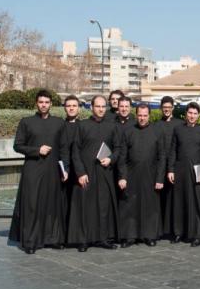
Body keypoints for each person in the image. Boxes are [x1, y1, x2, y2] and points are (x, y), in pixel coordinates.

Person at [8, 90, 66, 254]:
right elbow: (17, 146)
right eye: (41, 102)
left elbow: (63, 148)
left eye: (46, 102)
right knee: (32, 204)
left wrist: (64, 169)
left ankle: (52, 239)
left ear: (51, 104)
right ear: (36, 103)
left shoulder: (59, 123)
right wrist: (36, 150)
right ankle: (30, 241)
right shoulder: (26, 122)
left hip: (53, 170)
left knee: (51, 204)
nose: (43, 105)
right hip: (33, 169)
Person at [68, 95, 122, 252]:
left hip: (104, 172)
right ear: (91, 107)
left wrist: (111, 159)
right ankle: (84, 240)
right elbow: (75, 151)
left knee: (103, 207)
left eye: (103, 106)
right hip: (86, 173)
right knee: (86, 207)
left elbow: (118, 148)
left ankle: (103, 238)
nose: (100, 109)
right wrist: (80, 172)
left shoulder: (112, 126)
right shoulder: (82, 126)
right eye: (97, 106)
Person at [117, 104, 165, 247]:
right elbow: (122, 157)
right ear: (136, 115)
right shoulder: (128, 131)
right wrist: (122, 176)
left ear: (149, 115)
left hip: (151, 175)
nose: (142, 118)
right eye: (140, 115)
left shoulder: (157, 132)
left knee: (150, 206)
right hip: (131, 175)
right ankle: (130, 236)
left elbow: (162, 157)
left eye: (145, 115)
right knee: (130, 206)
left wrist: (160, 178)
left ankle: (149, 235)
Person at [166, 102, 200, 246]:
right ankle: (179, 232)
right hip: (180, 170)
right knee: (180, 202)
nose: (192, 116)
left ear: (198, 116)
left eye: (195, 114)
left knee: (197, 202)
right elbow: (173, 151)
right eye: (190, 113)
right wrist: (171, 170)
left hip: (197, 171)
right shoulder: (178, 129)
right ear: (186, 114)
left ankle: (198, 234)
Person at [154, 96, 182, 242]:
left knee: (173, 199)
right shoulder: (156, 125)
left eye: (169, 107)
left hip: (174, 167)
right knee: (160, 198)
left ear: (172, 108)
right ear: (161, 108)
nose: (166, 109)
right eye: (164, 107)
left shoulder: (180, 124)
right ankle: (160, 229)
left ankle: (174, 229)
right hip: (159, 166)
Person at [61, 95, 81, 234]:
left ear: (78, 108)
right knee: (63, 202)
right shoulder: (59, 126)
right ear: (65, 108)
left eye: (74, 105)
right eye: (69, 106)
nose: (71, 108)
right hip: (63, 170)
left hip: (79, 171)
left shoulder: (84, 126)